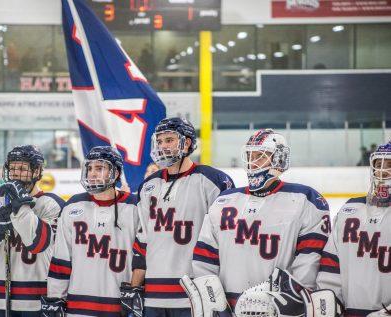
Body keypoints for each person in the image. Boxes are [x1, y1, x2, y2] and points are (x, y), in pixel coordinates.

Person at [189, 129, 330, 312]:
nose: (253, 163)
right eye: (250, 156)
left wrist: (289, 301)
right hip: (228, 307)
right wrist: (212, 302)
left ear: (279, 159)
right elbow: (205, 257)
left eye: (260, 157)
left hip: (276, 308)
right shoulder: (224, 200)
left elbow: (308, 263)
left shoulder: (306, 200)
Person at [129, 117, 234, 317]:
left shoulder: (213, 180)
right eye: (159, 141)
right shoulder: (148, 186)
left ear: (186, 143)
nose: (162, 146)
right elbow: (142, 242)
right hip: (154, 295)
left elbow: (226, 241)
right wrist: (134, 289)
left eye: (169, 140)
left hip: (196, 294)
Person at [42, 146, 139, 317]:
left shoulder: (135, 207)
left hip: (119, 307)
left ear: (115, 173)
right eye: (90, 168)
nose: (92, 173)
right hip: (77, 308)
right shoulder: (72, 206)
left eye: (99, 168)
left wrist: (139, 290)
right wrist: (55, 298)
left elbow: (143, 258)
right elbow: (61, 260)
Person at [0, 145, 64, 316]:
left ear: (37, 171)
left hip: (37, 303)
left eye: (22, 168)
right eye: (12, 168)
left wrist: (20, 207)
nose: (16, 174)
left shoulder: (52, 204)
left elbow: (39, 244)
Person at [316, 140, 391, 315]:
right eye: (378, 164)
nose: (382, 170)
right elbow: (331, 265)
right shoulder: (350, 208)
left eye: (389, 165)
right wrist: (328, 302)